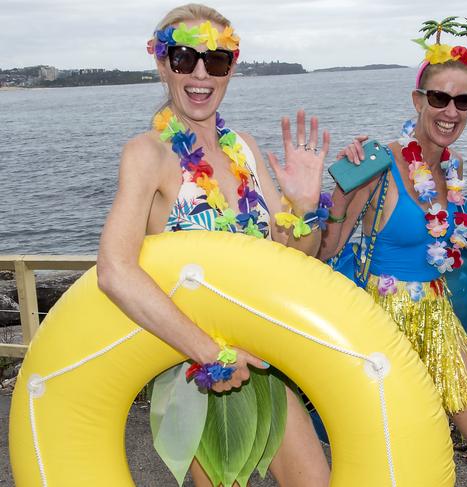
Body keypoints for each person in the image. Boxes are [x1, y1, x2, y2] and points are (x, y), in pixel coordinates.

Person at [96, 4, 330, 487]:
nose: (201, 73)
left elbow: (291, 260)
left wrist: (304, 208)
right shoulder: (148, 154)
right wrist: (209, 353)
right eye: (185, 58)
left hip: (266, 359)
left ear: (231, 68)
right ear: (162, 64)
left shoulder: (242, 146)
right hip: (197, 371)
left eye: (217, 61)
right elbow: (114, 270)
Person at [319, 18, 467, 487]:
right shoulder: (377, 163)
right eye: (439, 98)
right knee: (398, 460)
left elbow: (443, 237)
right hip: (382, 325)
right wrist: (334, 193)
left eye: (463, 100)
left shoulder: (453, 166)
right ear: (418, 100)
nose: (451, 111)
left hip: (437, 318)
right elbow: (327, 249)